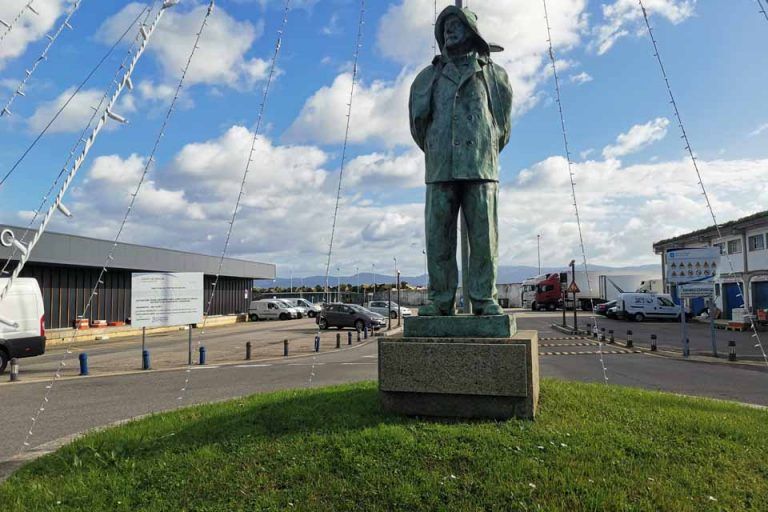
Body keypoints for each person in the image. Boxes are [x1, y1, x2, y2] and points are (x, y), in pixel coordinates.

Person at [409, 5, 513, 316]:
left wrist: (482, 150)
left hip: (481, 165)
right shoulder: (428, 77)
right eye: (445, 27)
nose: (449, 31)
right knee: (438, 237)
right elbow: (418, 124)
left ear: (473, 32)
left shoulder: (495, 75)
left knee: (484, 236)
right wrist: (438, 147)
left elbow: (502, 126)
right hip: (440, 166)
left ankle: (483, 299)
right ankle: (440, 300)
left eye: (457, 24)